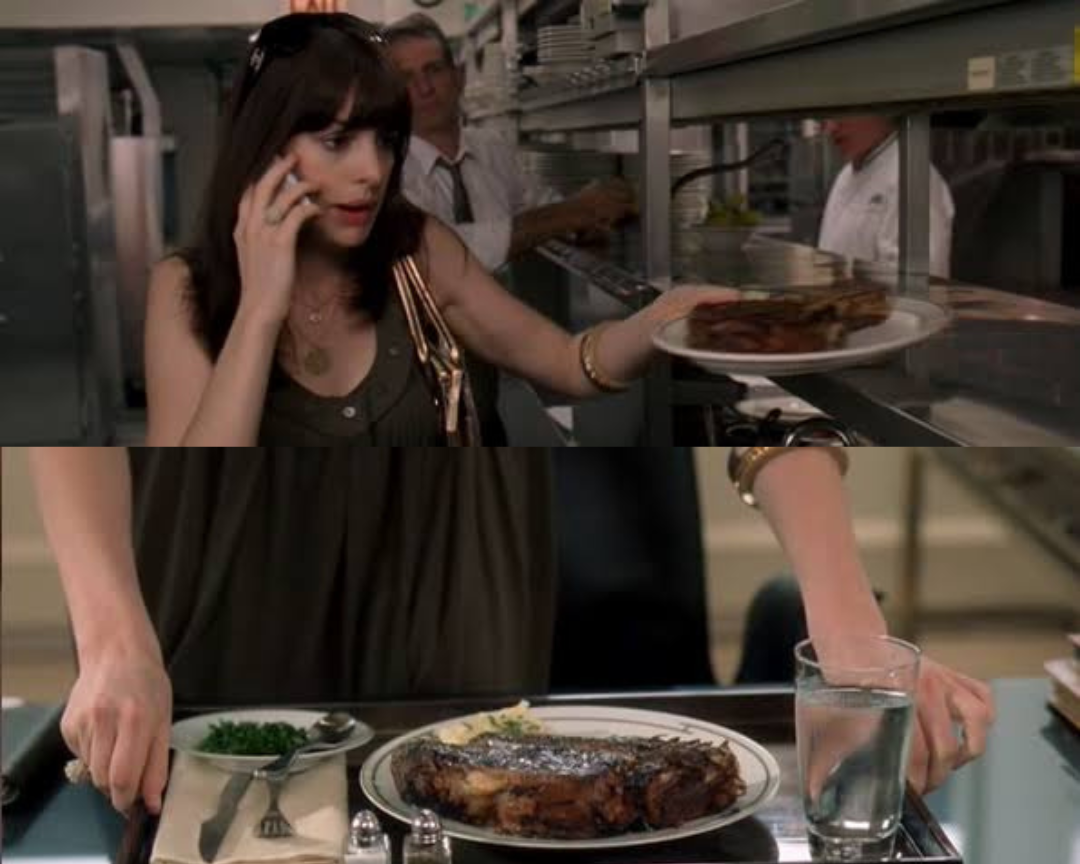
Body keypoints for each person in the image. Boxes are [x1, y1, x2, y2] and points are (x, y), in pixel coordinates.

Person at [30, 446, 995, 817]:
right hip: (218, 535)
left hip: (453, 538)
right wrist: (114, 635)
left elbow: (745, 398)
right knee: (221, 798)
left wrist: (850, 631)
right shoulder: (182, 286)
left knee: (459, 794)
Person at [143, 12, 720, 446]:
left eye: (387, 142)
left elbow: (569, 363)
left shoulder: (418, 248)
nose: (373, 173)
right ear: (266, 145)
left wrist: (664, 319)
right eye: (337, 142)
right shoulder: (184, 288)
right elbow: (192, 506)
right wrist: (260, 312)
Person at [384, 13, 637, 273]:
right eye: (406, 78)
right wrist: (571, 212)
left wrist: (585, 222)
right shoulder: (389, 168)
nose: (424, 88)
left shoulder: (491, 146)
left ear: (458, 77)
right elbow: (436, 253)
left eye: (433, 70)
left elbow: (539, 203)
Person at [818, 116, 955, 279]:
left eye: (841, 114)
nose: (831, 128)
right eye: (825, 119)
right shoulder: (846, 174)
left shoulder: (912, 177)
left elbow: (920, 283)